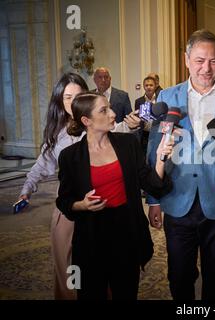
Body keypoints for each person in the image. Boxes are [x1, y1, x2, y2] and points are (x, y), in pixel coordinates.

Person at [146, 29, 215, 300]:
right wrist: (153, 199)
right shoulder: (167, 98)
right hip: (177, 199)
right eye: (199, 60)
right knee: (178, 276)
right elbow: (153, 153)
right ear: (186, 59)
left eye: (214, 61)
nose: (207, 68)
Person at [17, 73, 141, 300]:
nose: (72, 101)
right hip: (70, 210)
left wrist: (132, 125)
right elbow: (41, 165)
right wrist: (26, 189)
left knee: (105, 270)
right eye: (67, 97)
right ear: (60, 100)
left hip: (101, 212)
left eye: (78, 96)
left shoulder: (99, 123)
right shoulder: (56, 133)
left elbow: (122, 131)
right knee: (70, 272)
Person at [56, 92, 173, 300]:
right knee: (91, 294)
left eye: (110, 108)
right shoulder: (70, 156)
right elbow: (64, 201)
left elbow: (152, 183)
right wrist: (81, 205)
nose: (112, 114)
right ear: (86, 120)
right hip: (91, 237)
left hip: (127, 232)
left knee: (126, 293)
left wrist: (160, 158)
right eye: (104, 110)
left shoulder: (128, 144)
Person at [134, 74, 159, 158]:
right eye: (146, 85)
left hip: (157, 133)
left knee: (156, 156)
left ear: (155, 86)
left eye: (151, 85)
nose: (149, 87)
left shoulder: (161, 98)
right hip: (144, 135)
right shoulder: (139, 101)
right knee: (145, 157)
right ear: (144, 87)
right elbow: (138, 119)